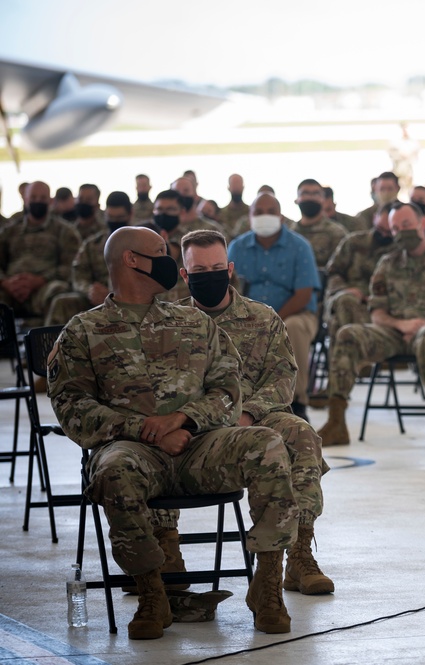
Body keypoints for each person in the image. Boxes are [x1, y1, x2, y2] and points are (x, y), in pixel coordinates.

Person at [47, 226, 298, 638]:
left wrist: (184, 420)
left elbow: (228, 388)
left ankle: (267, 586)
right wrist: (147, 431)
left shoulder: (193, 322)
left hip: (200, 446)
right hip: (133, 452)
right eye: (161, 252)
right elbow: (72, 409)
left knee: (267, 444)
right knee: (112, 471)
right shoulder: (83, 331)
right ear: (132, 260)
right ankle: (153, 593)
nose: (169, 260)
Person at [177, 229, 333, 596]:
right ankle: (166, 556)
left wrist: (248, 414)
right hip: (197, 425)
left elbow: (283, 378)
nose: (210, 275)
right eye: (199, 270)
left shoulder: (262, 318)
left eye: (217, 267)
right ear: (184, 275)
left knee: (302, 434)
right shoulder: (171, 324)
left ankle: (299, 553)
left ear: (230, 269)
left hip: (256, 416)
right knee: (151, 445)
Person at [318, 202, 425, 449]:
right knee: (348, 334)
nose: (401, 232)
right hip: (395, 331)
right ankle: (336, 422)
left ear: (422, 223)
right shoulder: (387, 263)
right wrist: (401, 324)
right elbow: (377, 312)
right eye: (395, 228)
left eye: (406, 225)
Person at [229, 192, 322, 421]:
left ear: (281, 216)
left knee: (294, 328)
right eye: (258, 212)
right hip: (248, 314)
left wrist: (272, 320)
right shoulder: (237, 247)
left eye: (271, 212)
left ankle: (298, 401)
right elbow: (229, 288)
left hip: (295, 314)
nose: (265, 216)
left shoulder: (300, 246)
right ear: (249, 217)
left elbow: (303, 294)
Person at [45, 191, 132, 326]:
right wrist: (90, 290)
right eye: (110, 217)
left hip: (133, 298)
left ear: (130, 215)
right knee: (62, 302)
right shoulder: (92, 244)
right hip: (97, 298)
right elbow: (78, 274)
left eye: (119, 218)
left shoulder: (143, 243)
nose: (114, 222)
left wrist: (115, 295)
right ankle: (55, 346)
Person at [322, 204, 398, 352]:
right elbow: (333, 272)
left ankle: (358, 358)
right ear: (375, 218)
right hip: (350, 298)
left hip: (384, 305)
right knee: (345, 301)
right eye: (381, 229)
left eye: (389, 232)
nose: (383, 235)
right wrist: (345, 289)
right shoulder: (353, 242)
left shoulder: (400, 250)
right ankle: (351, 359)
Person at [0, 181, 81, 319]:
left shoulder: (65, 231)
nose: (38, 201)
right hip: (10, 288)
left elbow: (71, 267)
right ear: (25, 200)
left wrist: (39, 280)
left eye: (42, 198)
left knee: (59, 291)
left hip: (45, 287)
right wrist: (6, 283)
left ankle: (52, 339)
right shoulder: (10, 231)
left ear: (50, 201)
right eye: (33, 198)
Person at [290, 178, 348, 269]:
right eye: (305, 193)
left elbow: (341, 271)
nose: (310, 197)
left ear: (323, 200)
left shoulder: (337, 233)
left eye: (315, 193)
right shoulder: (289, 233)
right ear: (297, 200)